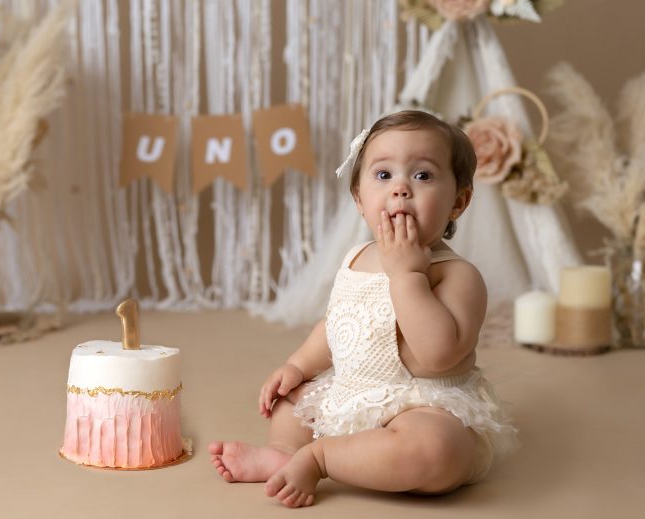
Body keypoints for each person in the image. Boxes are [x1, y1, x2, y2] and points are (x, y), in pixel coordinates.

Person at [209, 110, 518, 508]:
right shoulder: (357, 257)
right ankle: (284, 452)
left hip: (421, 405)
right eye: (383, 175)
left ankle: (322, 457)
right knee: (292, 399)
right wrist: (298, 366)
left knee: (436, 451)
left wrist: (407, 275)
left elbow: (438, 355)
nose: (401, 189)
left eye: (422, 176)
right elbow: (339, 322)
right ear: (359, 199)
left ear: (458, 201)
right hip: (354, 392)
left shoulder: (458, 275)